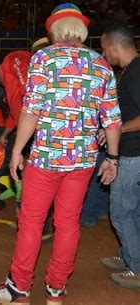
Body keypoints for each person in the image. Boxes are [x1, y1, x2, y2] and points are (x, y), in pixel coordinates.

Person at [0, 4, 122, 304]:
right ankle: (56, 289)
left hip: (46, 159)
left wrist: (17, 151)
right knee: (68, 224)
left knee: (32, 222)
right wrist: (112, 158)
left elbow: (31, 109)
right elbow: (112, 118)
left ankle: (19, 288)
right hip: (83, 160)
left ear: (53, 31)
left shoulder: (44, 58)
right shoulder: (101, 64)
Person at [100, 24, 140, 289]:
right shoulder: (130, 70)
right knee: (133, 209)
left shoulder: (136, 72)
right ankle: (130, 255)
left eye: (104, 49)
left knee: (121, 210)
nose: (104, 54)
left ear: (115, 46)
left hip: (132, 153)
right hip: (131, 151)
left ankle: (136, 267)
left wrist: (118, 129)